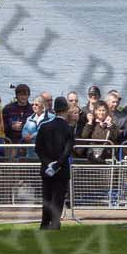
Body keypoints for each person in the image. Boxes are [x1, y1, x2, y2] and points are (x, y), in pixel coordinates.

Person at [34, 95, 76, 229]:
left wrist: (48, 163)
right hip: (62, 168)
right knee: (58, 197)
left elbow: (38, 148)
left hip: (46, 167)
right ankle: (55, 223)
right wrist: (57, 164)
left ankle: (45, 223)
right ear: (66, 109)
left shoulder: (44, 126)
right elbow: (67, 150)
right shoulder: (68, 128)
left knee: (46, 196)